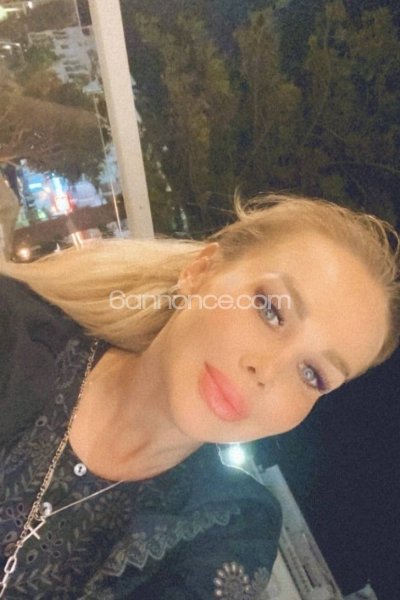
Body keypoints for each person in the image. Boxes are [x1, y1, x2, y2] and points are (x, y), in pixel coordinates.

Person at [0, 194, 398, 599]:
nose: (267, 370)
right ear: (201, 271)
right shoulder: (16, 332)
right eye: (270, 310)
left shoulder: (226, 529)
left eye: (312, 374)